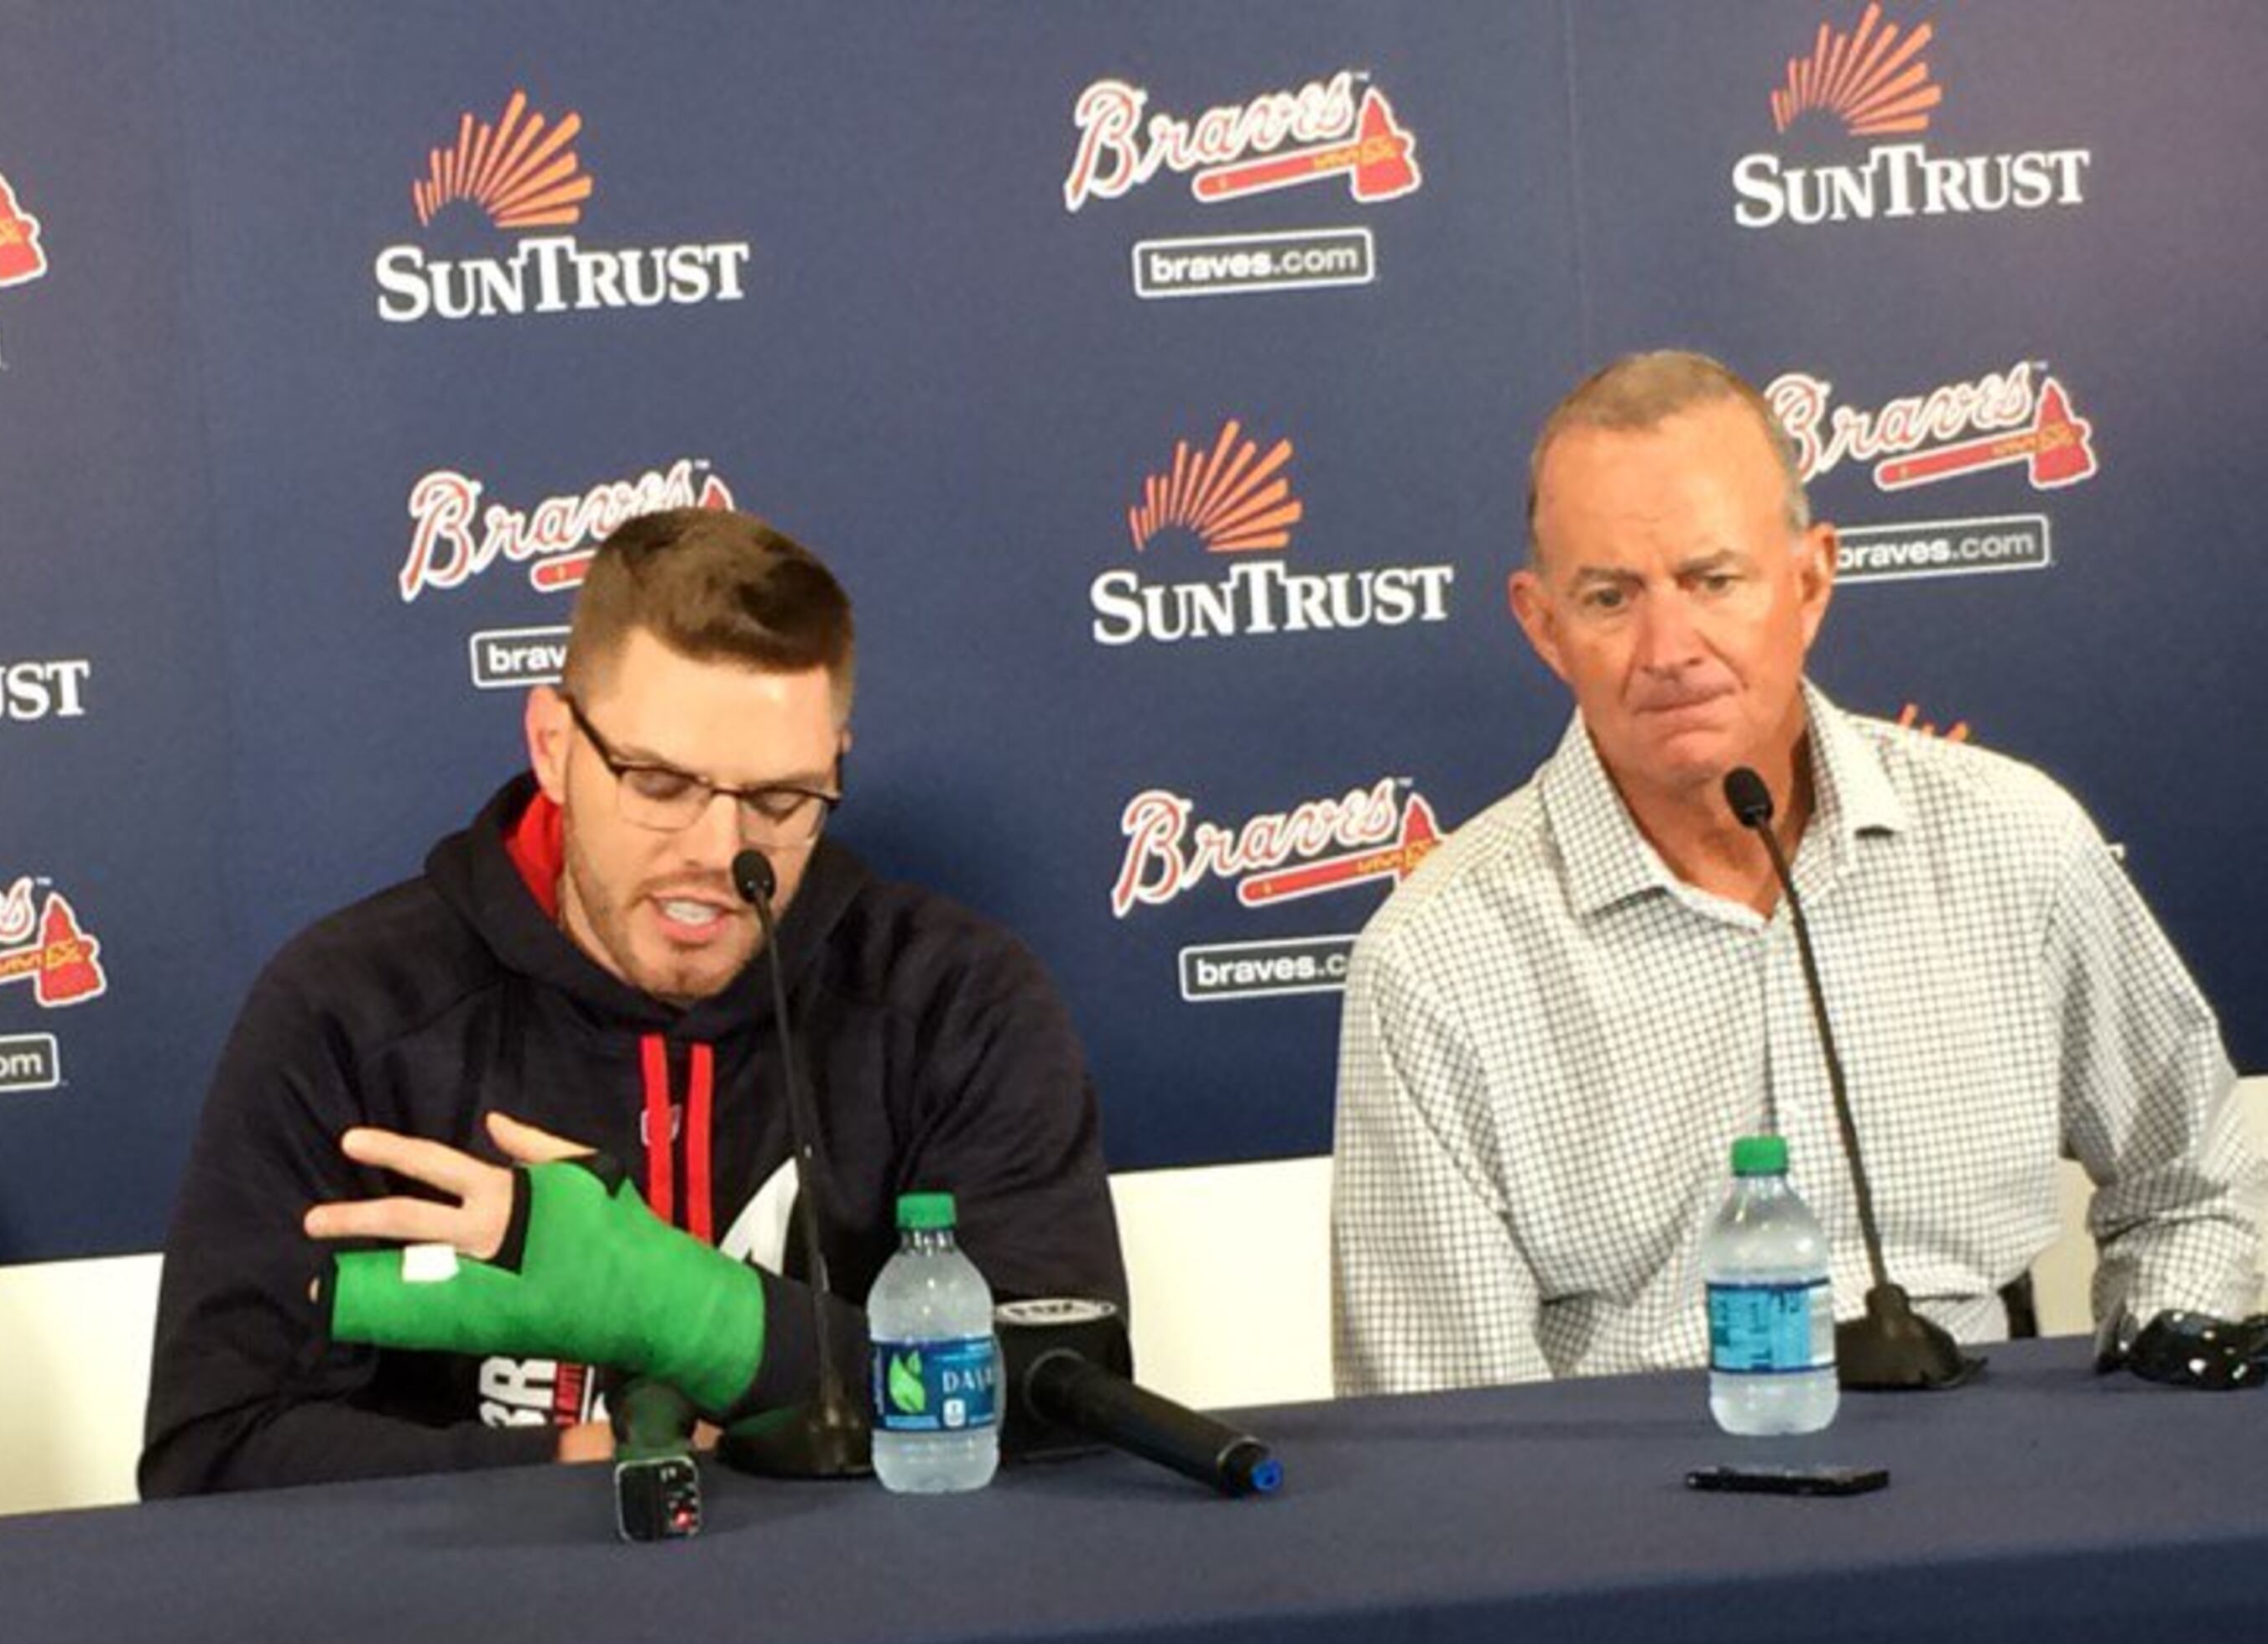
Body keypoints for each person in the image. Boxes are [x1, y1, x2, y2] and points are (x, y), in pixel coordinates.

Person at [1330, 351, 2263, 1396]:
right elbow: (1452, 1416)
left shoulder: (2015, 840)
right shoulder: (1437, 959)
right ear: (1543, 626)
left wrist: (2146, 1399)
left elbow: (2195, 1180)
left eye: (1712, 580)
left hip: (1993, 1473)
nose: (1667, 646)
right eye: (1608, 598)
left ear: (1811, 581)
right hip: (1630, 1516)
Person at [143, 508, 1124, 1493]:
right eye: (659, 784)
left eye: (781, 800)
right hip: (484, 1627)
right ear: (553, 744)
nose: (714, 851)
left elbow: (1063, 1410)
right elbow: (210, 1460)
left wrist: (680, 1308)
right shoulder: (350, 1010)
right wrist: (586, 1463)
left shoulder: (955, 1000)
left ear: (835, 769)